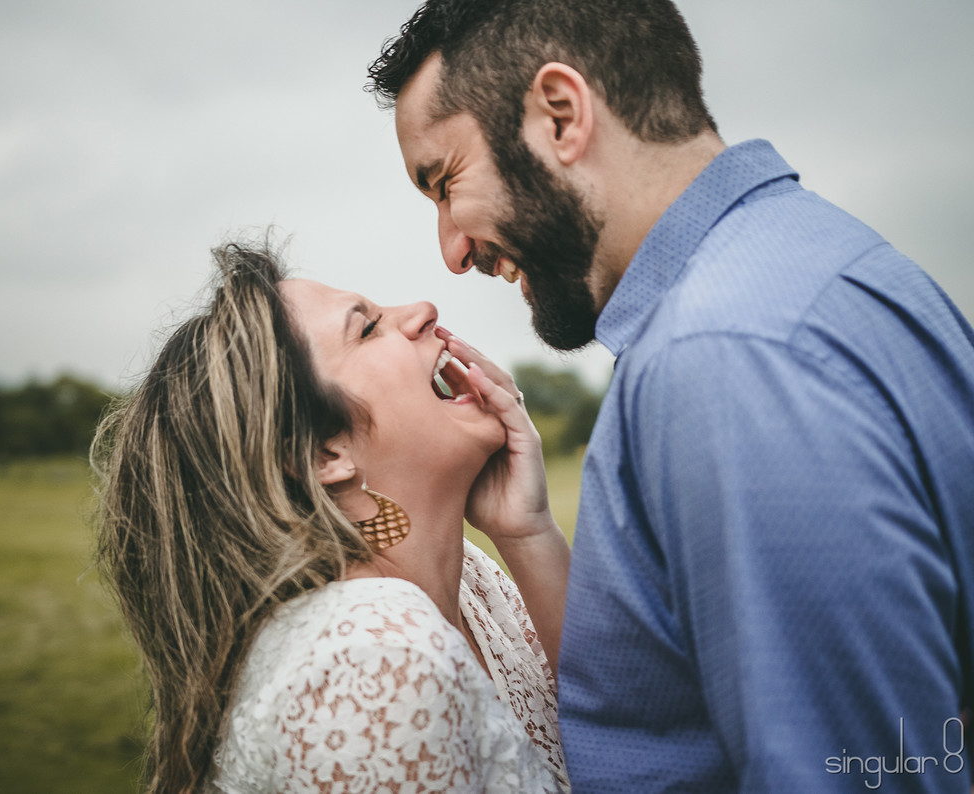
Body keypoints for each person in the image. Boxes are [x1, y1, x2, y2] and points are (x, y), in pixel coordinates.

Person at [368, 0, 974, 790]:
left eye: (445, 181)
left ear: (561, 115)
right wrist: (530, 532)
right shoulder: (833, 261)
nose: (452, 251)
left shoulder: (720, 360)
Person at [92, 240, 572, 793]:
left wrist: (527, 532)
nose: (423, 311)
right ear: (323, 453)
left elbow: (626, 731)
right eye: (367, 329)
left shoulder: (471, 583)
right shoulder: (375, 664)